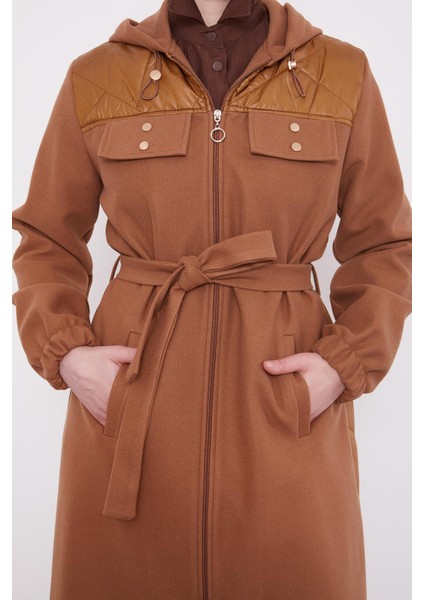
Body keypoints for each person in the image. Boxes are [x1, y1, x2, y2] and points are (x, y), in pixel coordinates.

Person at [11, 0, 412, 598]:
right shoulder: (97, 76)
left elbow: (383, 244)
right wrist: (68, 355)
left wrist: (342, 365)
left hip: (284, 407)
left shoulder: (342, 72)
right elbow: (46, 237)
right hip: (134, 397)